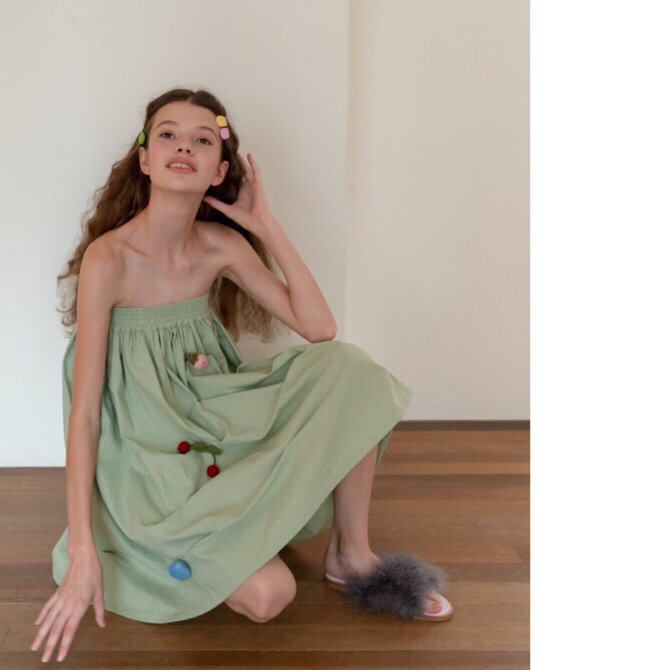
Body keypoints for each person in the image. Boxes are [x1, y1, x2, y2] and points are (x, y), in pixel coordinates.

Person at [30, 87, 452, 664]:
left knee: (352, 373)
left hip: (214, 419)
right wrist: (83, 549)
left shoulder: (221, 246)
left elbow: (320, 328)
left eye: (203, 140)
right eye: (168, 135)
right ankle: (214, 533)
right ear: (145, 159)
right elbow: (82, 413)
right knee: (269, 595)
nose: (184, 146)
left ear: (219, 170)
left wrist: (266, 225)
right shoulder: (110, 259)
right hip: (146, 456)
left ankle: (351, 552)